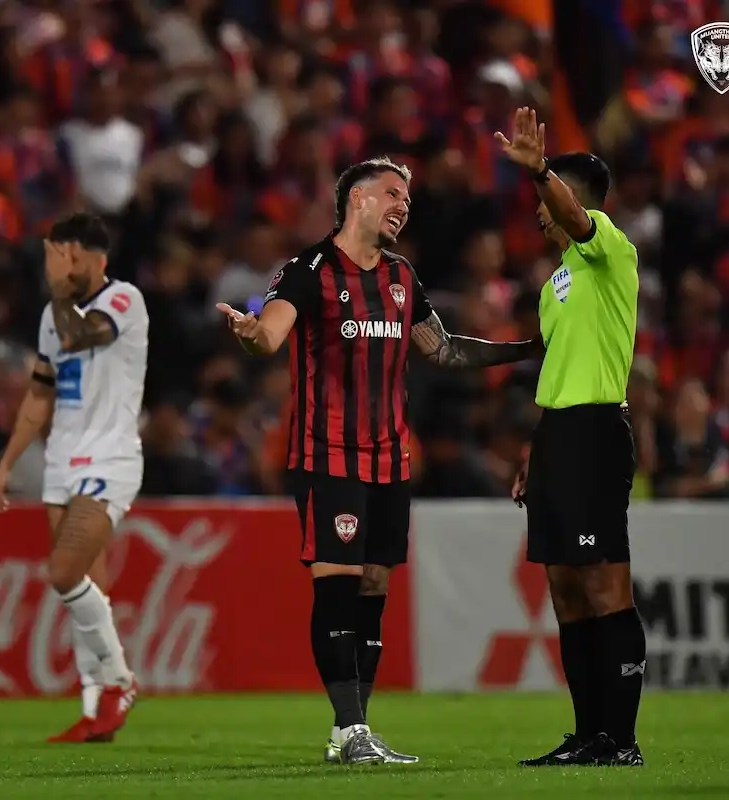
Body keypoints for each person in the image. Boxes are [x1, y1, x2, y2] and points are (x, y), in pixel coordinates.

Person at [217, 156, 537, 765]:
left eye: (407, 198)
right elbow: (270, 335)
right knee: (337, 586)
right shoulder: (309, 271)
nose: (403, 205)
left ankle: (355, 729)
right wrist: (251, 334)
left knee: (372, 588)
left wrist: (528, 348)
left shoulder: (401, 276)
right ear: (356, 199)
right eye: (392, 193)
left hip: (390, 460)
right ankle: (350, 728)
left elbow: (442, 350)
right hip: (328, 455)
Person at [501, 108, 646, 767]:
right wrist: (536, 450)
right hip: (558, 434)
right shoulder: (555, 283)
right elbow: (559, 369)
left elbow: (577, 219)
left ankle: (622, 739)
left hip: (596, 433)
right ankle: (588, 734)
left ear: (571, 197)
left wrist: (539, 170)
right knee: (564, 588)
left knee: (604, 586)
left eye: (547, 195)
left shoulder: (610, 249)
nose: (539, 211)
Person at [0, 213, 148, 743]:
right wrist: (8, 464)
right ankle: (94, 708)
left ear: (95, 258)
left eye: (67, 256)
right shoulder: (49, 317)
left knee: (63, 572)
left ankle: (119, 682)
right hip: (61, 460)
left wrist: (58, 292)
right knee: (86, 588)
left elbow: (80, 336)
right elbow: (40, 393)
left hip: (109, 458)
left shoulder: (123, 300)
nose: (60, 267)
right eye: (54, 256)